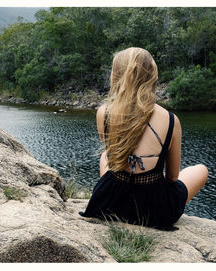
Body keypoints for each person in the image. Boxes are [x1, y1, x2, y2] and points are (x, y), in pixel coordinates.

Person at [79, 47, 208, 230]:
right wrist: (150, 172)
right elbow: (172, 177)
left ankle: (123, 193)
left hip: (110, 204)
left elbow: (115, 159)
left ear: (117, 76)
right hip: (154, 210)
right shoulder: (171, 120)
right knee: (201, 170)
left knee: (105, 157)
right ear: (152, 77)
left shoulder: (104, 113)